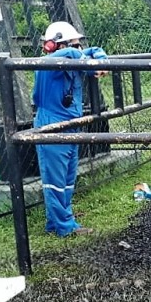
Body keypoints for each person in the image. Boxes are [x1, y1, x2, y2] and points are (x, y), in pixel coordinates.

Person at [32, 21, 108, 237]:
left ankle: (56, 223)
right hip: (51, 123)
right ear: (55, 45)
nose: (78, 50)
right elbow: (69, 56)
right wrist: (81, 57)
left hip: (71, 122)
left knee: (66, 178)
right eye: (74, 45)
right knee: (55, 181)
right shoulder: (50, 63)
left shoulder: (73, 59)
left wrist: (98, 58)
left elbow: (92, 51)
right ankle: (65, 227)